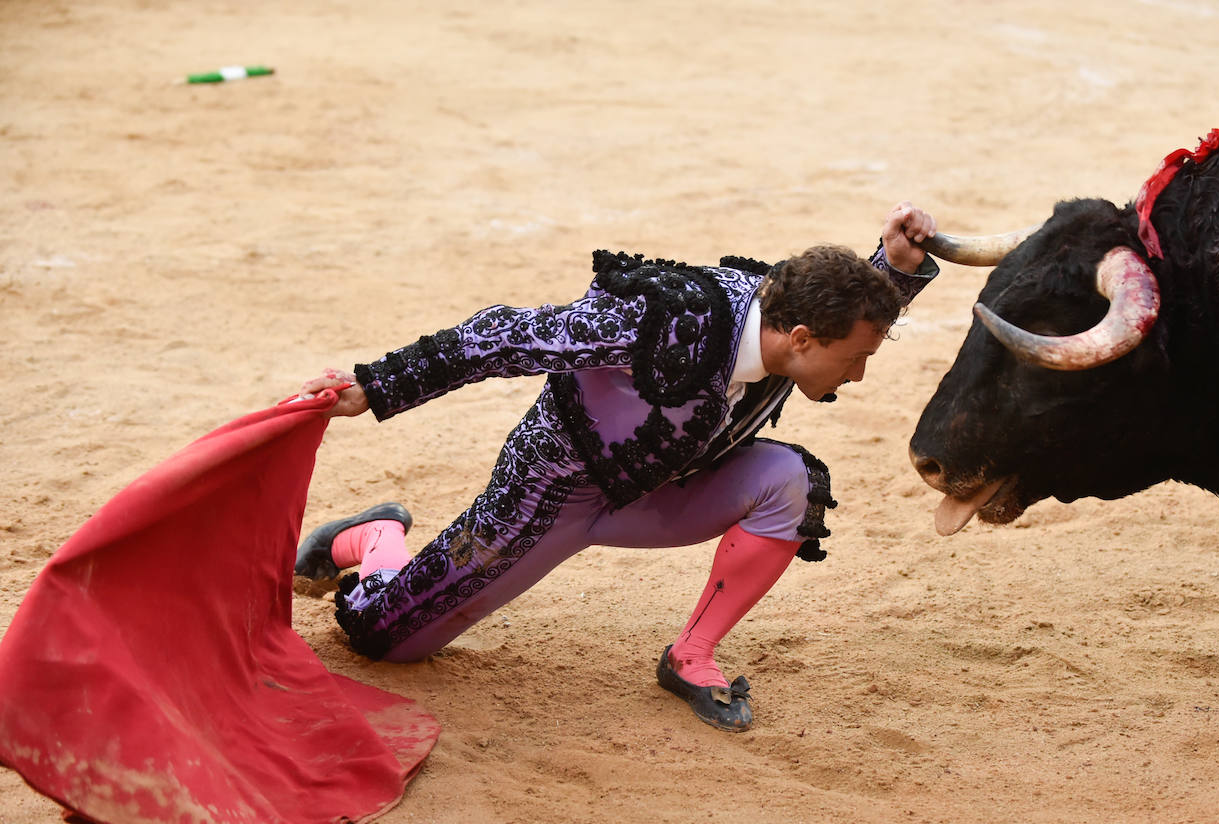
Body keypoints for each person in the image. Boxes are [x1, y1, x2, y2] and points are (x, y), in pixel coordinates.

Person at [293, 202, 939, 731]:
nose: (856, 374)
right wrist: (379, 385)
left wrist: (895, 270)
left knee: (791, 485)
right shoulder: (668, 317)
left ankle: (691, 656)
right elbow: (510, 336)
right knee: (382, 638)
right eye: (856, 359)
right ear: (799, 339)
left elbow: (847, 313)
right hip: (549, 496)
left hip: (659, 493)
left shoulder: (794, 321)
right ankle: (376, 539)